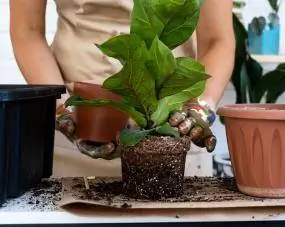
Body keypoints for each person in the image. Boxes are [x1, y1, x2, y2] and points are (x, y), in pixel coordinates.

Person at [9, 0, 235, 177]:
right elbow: (27, 30)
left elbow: (218, 39)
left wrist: (199, 106)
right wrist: (60, 110)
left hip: (174, 135)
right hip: (79, 126)